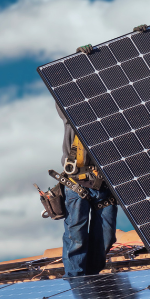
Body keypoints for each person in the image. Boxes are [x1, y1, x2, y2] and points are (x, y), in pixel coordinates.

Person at [54, 45, 118, 277]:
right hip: (76, 183)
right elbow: (61, 91)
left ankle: (91, 279)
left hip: (105, 184)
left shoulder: (116, 116)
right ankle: (77, 284)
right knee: (76, 237)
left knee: (106, 236)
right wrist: (77, 63)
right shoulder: (73, 116)